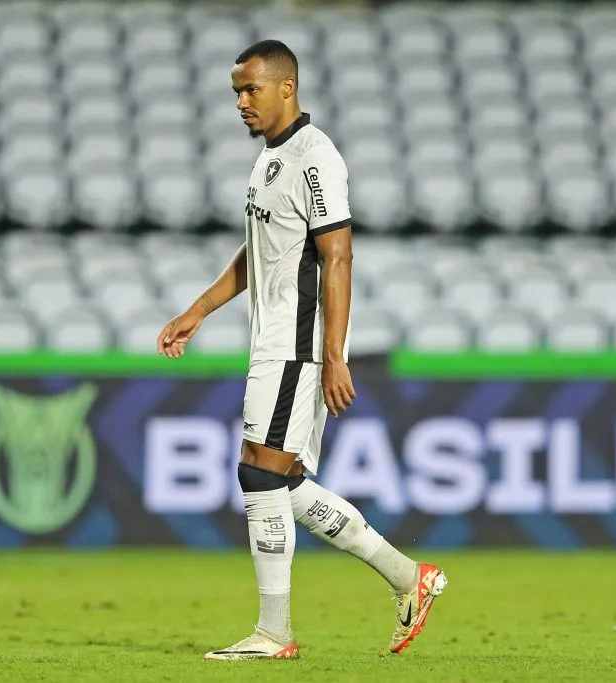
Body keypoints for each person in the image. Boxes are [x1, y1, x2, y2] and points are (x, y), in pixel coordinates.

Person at [156, 40, 447, 660]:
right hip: (274, 338)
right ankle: (408, 576)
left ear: (286, 86)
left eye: (251, 89)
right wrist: (197, 310)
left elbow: (338, 256)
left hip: (297, 341)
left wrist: (335, 355)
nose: (241, 102)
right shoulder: (270, 158)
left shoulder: (316, 158)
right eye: (236, 91)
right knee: (283, 481)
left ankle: (274, 633)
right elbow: (259, 252)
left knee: (259, 472)